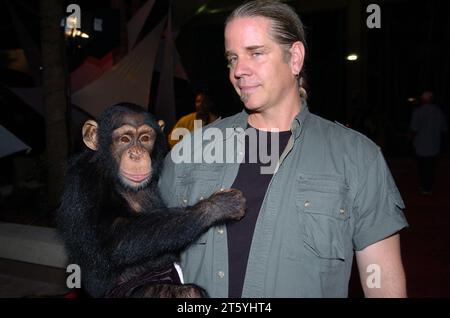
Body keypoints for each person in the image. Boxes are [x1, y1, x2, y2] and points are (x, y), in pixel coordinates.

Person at [159, 0, 408, 298]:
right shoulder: (192, 151)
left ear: (295, 58)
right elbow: (144, 254)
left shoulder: (357, 156)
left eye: (256, 53)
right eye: (232, 58)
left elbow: (381, 283)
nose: (239, 70)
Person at [410, 91, 448, 195]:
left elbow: (414, 129)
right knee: (431, 167)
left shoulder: (418, 112)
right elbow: (444, 128)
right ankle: (429, 186)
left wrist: (412, 141)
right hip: (434, 144)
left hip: (421, 145)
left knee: (422, 167)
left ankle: (424, 186)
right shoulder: (438, 112)